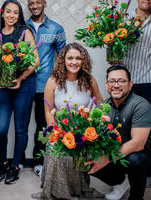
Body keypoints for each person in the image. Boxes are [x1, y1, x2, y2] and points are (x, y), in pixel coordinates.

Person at [32, 43, 102, 199]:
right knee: (57, 154)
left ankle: (78, 188)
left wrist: (93, 123)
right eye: (70, 58)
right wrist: (55, 133)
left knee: (77, 155)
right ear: (63, 60)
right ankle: (56, 190)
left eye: (78, 58)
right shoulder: (53, 81)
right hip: (59, 129)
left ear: (83, 61)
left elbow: (100, 103)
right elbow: (48, 110)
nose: (74, 62)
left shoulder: (90, 80)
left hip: (82, 131)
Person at [87, 64, 151, 200]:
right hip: (118, 155)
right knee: (85, 156)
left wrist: (106, 159)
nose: (116, 85)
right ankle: (120, 181)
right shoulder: (102, 106)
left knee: (135, 159)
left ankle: (136, 197)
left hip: (144, 159)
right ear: (107, 84)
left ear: (130, 84)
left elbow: (138, 144)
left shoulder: (140, 105)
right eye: (112, 81)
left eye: (121, 81)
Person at [0, 0, 39, 184]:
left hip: (24, 85)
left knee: (21, 128)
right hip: (3, 85)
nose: (12, 15)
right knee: (1, 128)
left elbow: (35, 61)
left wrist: (20, 79)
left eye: (16, 12)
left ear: (19, 15)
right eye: (8, 11)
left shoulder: (24, 32)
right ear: (2, 13)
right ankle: (3, 162)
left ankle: (16, 165)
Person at [25, 0, 66, 176]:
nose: (34, 6)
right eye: (31, 3)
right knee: (21, 125)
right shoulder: (22, 27)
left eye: (38, 2)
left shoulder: (56, 28)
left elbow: (63, 57)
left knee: (43, 126)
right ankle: (17, 162)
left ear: (44, 3)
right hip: (24, 83)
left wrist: (57, 80)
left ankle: (39, 163)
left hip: (45, 86)